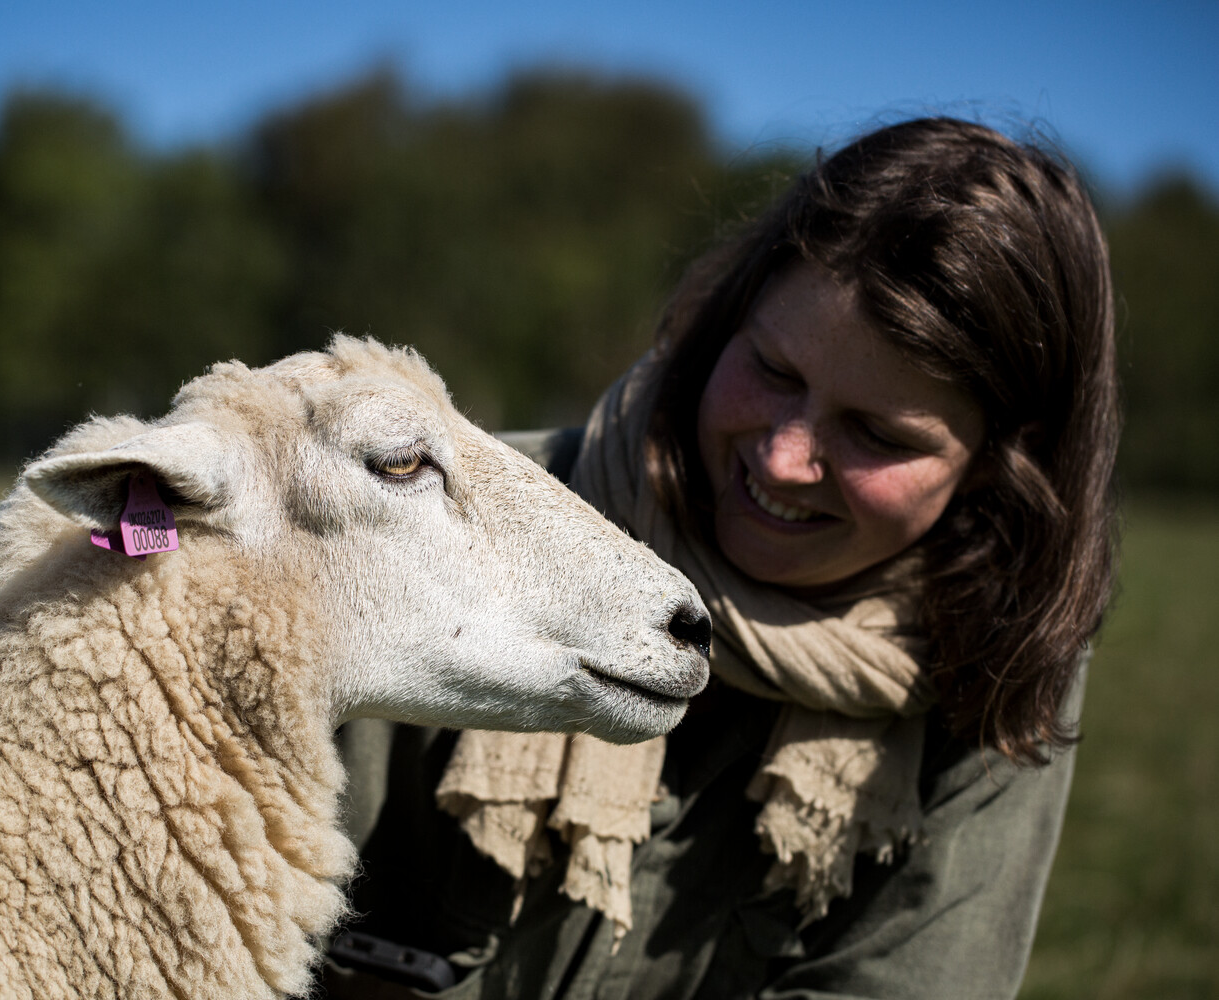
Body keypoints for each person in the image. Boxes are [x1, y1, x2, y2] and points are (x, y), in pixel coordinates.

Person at [323, 117, 1119, 999]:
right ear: (725, 319)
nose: (783, 457)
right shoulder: (412, 513)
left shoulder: (992, 664)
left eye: (876, 433)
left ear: (999, 464)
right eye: (774, 370)